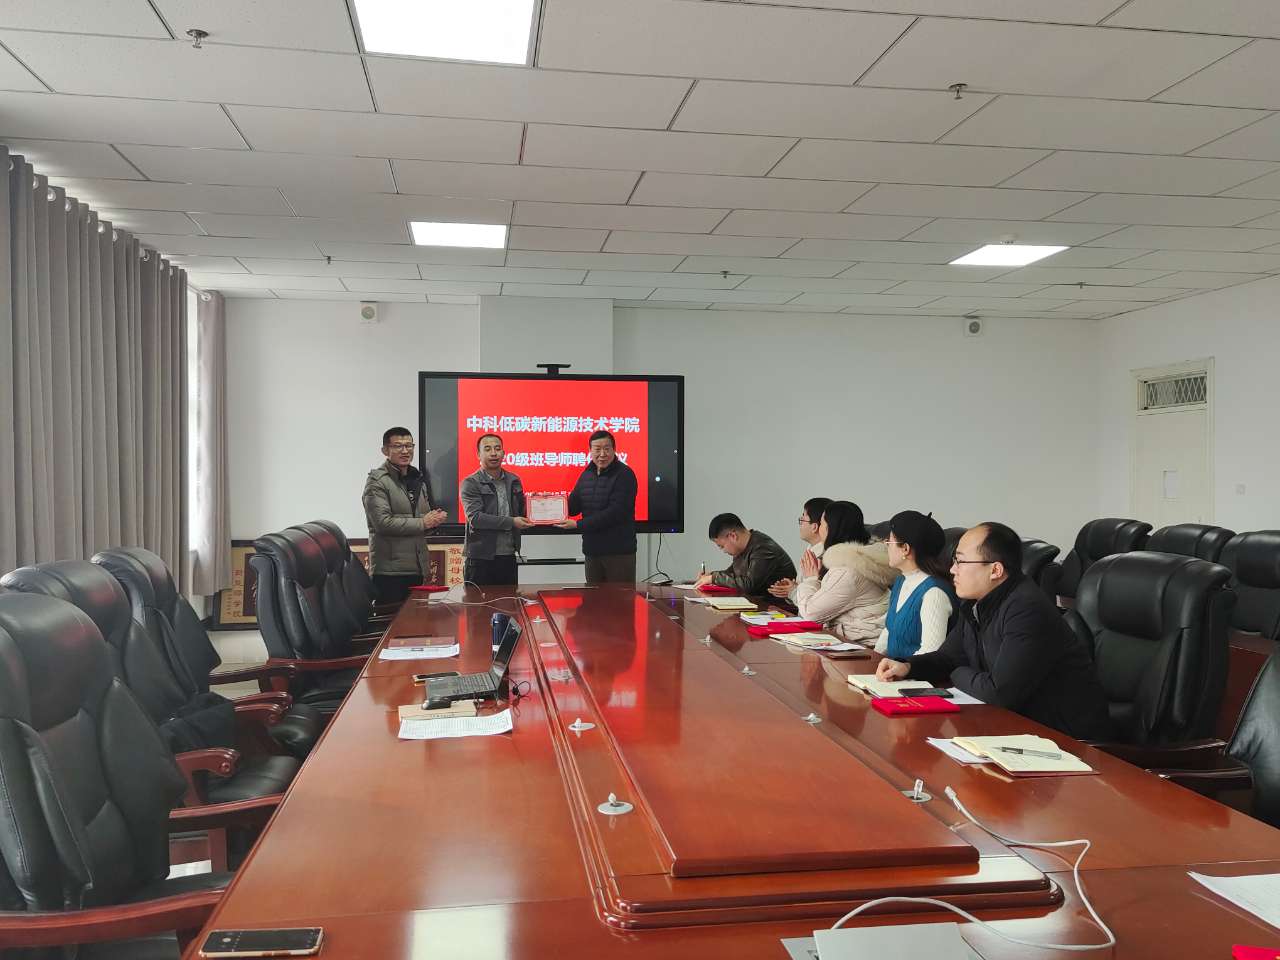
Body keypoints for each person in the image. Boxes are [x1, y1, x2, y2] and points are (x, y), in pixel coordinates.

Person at [875, 522, 1111, 740]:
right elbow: (948, 657)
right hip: (1013, 727)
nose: (952, 569)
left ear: (995, 570)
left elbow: (999, 694)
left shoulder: (1026, 609)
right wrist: (907, 667)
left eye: (960, 562)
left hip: (1063, 739)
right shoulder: (976, 603)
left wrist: (956, 672)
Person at [362, 426, 448, 604]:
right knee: (393, 619)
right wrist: (424, 522)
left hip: (417, 566)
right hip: (390, 572)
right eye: (398, 446)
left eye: (409, 446)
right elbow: (382, 523)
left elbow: (421, 520)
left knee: (417, 619)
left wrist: (434, 521)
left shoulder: (417, 479)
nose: (405, 451)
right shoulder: (377, 482)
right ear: (385, 450)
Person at [793, 501, 896, 642]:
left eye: (821, 523)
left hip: (862, 646)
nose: (819, 529)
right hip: (852, 640)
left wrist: (810, 580)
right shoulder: (859, 561)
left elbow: (810, 614)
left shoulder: (848, 571)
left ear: (830, 529)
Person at [557, 430, 638, 584]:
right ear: (590, 451)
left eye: (606, 448)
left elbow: (615, 512)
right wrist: (547, 504)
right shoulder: (586, 475)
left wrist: (578, 525)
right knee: (592, 598)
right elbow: (573, 507)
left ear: (614, 449)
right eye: (597, 449)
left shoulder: (625, 474)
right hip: (592, 551)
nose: (602, 454)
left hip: (618, 552)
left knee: (620, 598)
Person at [874, 510, 957, 658]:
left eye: (889, 542)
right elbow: (889, 630)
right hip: (890, 669)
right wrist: (873, 659)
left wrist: (901, 668)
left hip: (914, 672)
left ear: (905, 549)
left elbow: (930, 653)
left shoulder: (934, 593)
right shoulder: (901, 580)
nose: (886, 546)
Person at [459, 433, 533, 586]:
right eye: (487, 449)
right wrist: (512, 522)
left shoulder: (514, 480)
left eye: (497, 449)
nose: (493, 453)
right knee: (477, 602)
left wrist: (538, 505)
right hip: (480, 559)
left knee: (509, 601)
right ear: (478, 454)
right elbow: (476, 519)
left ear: (503, 453)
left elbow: (521, 511)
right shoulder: (471, 483)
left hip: (508, 556)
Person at [695, 514, 796, 596]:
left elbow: (749, 584)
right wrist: (710, 575)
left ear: (733, 536)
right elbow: (733, 574)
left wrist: (713, 578)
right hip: (760, 605)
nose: (723, 551)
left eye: (721, 546)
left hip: (780, 608)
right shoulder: (743, 548)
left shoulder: (762, 548)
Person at [768, 496, 832, 602]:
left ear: (815, 527)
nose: (800, 524)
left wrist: (793, 591)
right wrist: (792, 588)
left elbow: (816, 602)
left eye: (802, 520)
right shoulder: (811, 549)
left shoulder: (825, 557)